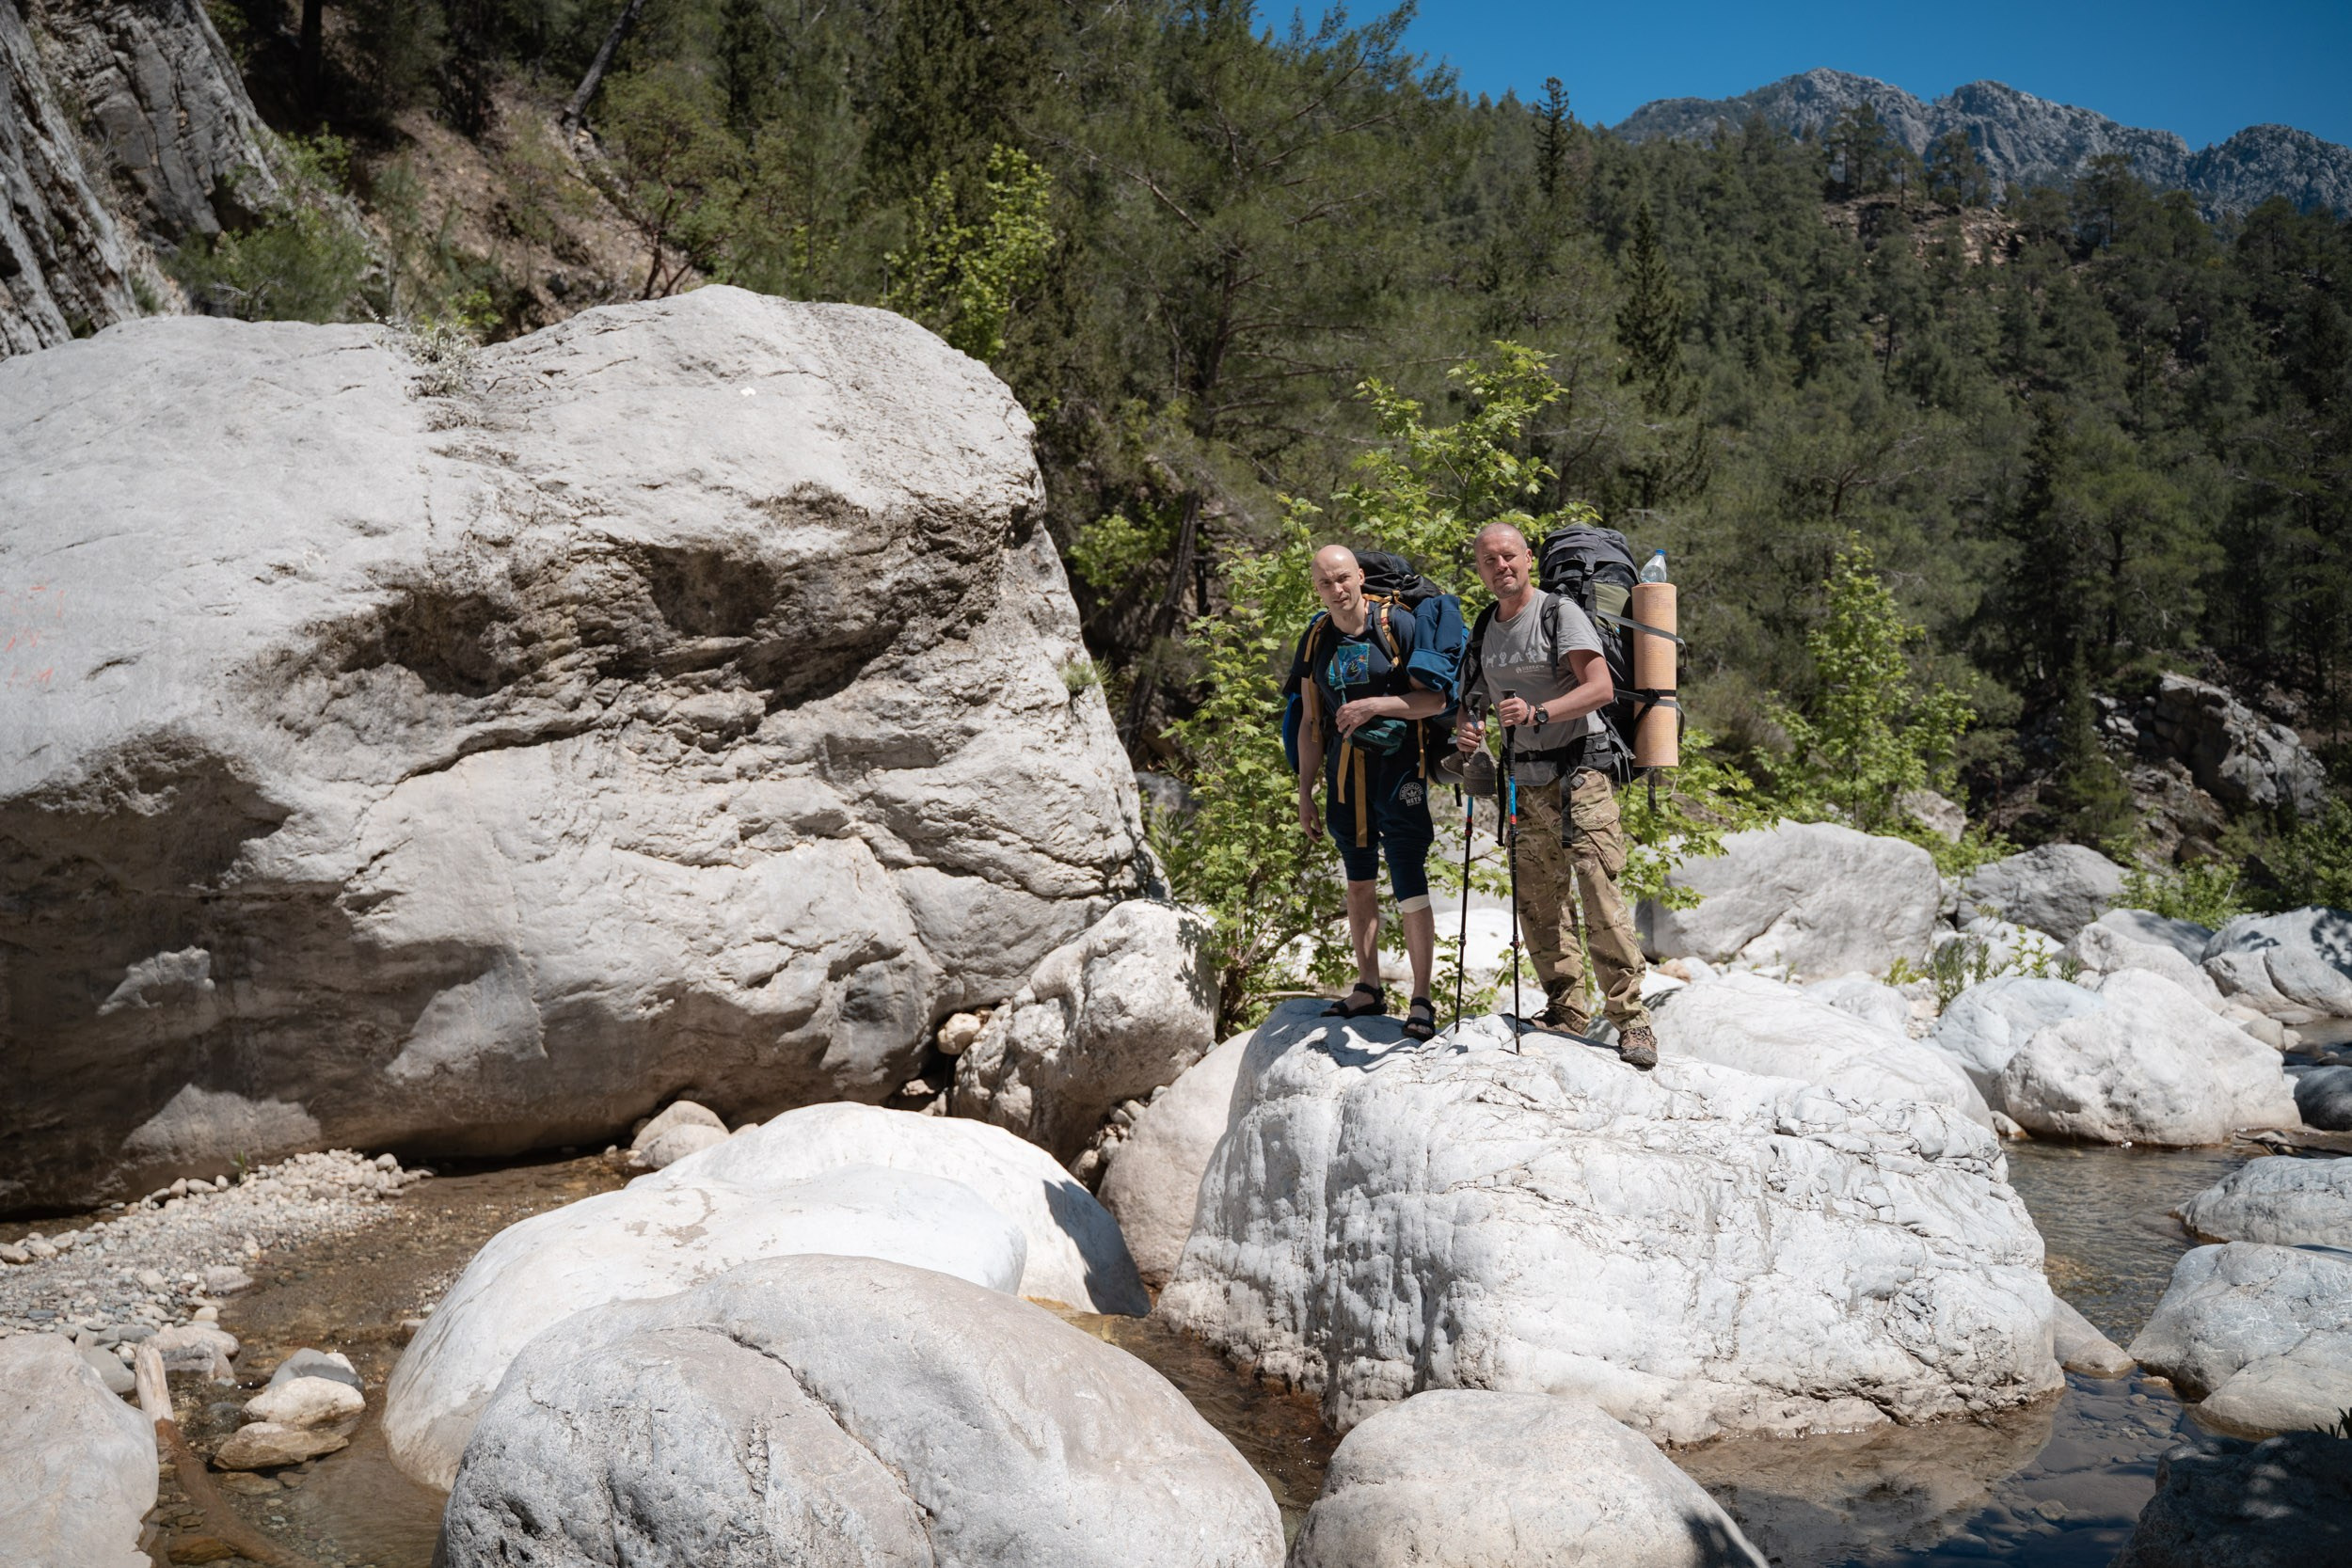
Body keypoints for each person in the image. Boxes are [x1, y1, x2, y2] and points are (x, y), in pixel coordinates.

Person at [1454, 521, 1658, 1069]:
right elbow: (1473, 699)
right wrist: (1468, 729)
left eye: (1509, 556)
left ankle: (1632, 1022)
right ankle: (1566, 1007)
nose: (1501, 567)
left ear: (1528, 560)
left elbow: (1600, 688)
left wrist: (1540, 712)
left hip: (1580, 771)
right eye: (1489, 560)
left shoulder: (1556, 613)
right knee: (1538, 900)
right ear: (1480, 568)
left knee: (1598, 893)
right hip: (1525, 777)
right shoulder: (1485, 626)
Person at [1293, 545, 1448, 1040]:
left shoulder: (1396, 625)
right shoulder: (1317, 637)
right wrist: (1304, 790)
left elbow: (1437, 699)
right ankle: (1368, 985)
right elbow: (1312, 722)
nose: (1336, 590)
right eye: (1325, 583)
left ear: (1360, 576)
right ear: (1315, 588)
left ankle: (1422, 998)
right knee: (1358, 880)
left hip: (1401, 771)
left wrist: (1375, 706)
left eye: (1343, 579)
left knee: (1409, 881)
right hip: (1344, 777)